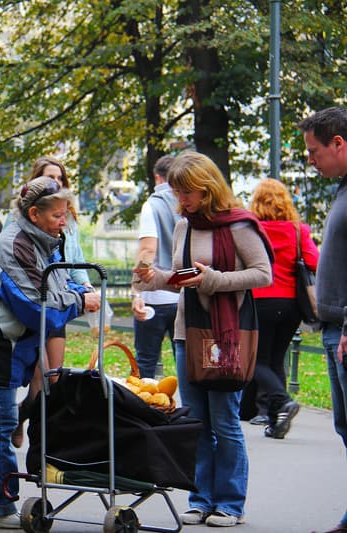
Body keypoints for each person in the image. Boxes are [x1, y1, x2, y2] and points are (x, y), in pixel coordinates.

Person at [0, 177, 100, 528]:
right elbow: (36, 308)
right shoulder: (15, 245)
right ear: (33, 214)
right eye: (58, 214)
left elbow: (52, 286)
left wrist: (75, 288)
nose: (65, 220)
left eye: (66, 213)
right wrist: (79, 301)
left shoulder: (42, 241)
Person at [133, 151, 273, 528]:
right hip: (188, 333)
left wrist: (215, 280)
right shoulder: (185, 226)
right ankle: (200, 498)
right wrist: (152, 277)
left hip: (226, 335)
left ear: (206, 187)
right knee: (197, 421)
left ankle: (230, 503)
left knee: (225, 421)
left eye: (186, 192)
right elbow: (182, 277)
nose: (181, 201)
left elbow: (263, 275)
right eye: (178, 193)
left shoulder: (240, 226)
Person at [9, 156, 94, 448]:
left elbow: (75, 258)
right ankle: (31, 431)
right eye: (49, 177)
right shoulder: (24, 220)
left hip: (61, 297)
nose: (56, 182)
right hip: (39, 302)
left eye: (59, 177)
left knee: (52, 378)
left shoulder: (66, 219)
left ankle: (25, 417)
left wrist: (85, 285)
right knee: (39, 370)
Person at [298, 106, 347, 533]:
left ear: (339, 143)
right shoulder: (342, 188)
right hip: (334, 328)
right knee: (345, 428)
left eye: (314, 151)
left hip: (345, 330)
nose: (310, 159)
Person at [248, 178, 318, 439]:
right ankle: (277, 422)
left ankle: (282, 400)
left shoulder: (253, 230)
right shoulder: (299, 231)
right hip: (290, 305)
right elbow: (314, 261)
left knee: (254, 360)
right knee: (276, 359)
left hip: (260, 300)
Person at [131, 154, 181, 379]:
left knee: (146, 362)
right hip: (184, 295)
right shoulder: (190, 202)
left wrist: (137, 289)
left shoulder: (153, 205)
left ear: (158, 178)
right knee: (185, 359)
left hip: (156, 296)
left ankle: (146, 410)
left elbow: (148, 251)